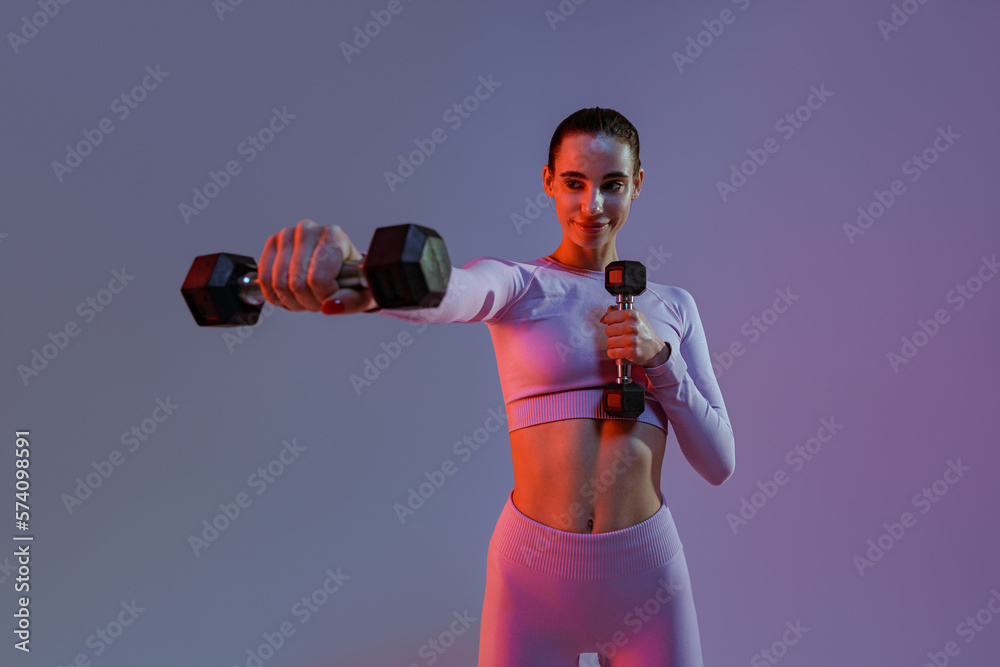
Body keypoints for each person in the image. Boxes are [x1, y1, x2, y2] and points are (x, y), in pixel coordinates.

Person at [256, 107, 735, 666]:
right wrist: (363, 276)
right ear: (548, 181)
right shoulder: (518, 285)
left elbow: (719, 462)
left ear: (637, 185)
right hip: (534, 576)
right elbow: (453, 292)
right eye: (575, 184)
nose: (593, 205)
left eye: (612, 185)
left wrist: (660, 359)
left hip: (646, 574)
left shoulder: (674, 307)